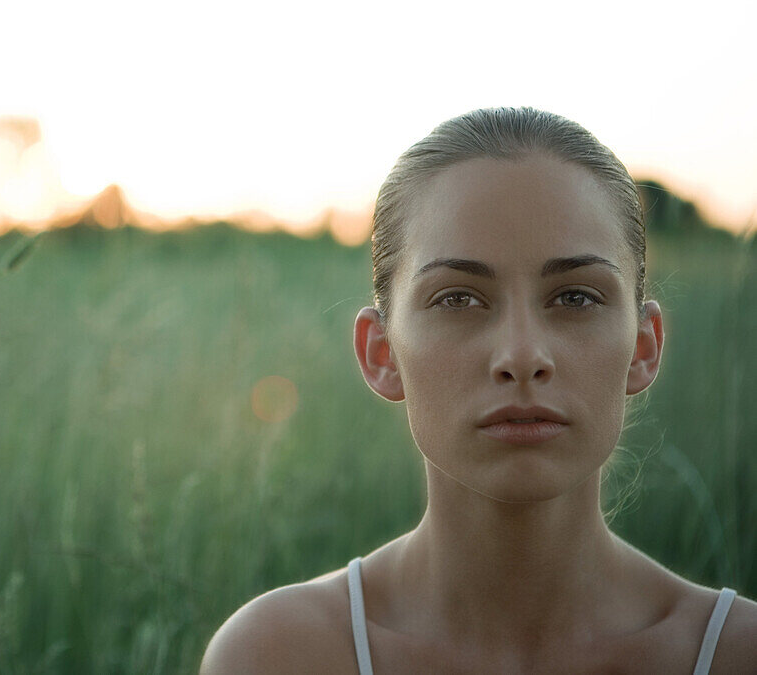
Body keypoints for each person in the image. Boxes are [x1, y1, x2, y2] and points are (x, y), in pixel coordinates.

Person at [200, 108, 757, 674]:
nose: (521, 356)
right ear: (381, 353)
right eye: (457, 299)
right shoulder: (279, 655)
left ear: (643, 347)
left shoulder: (737, 653)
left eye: (575, 298)